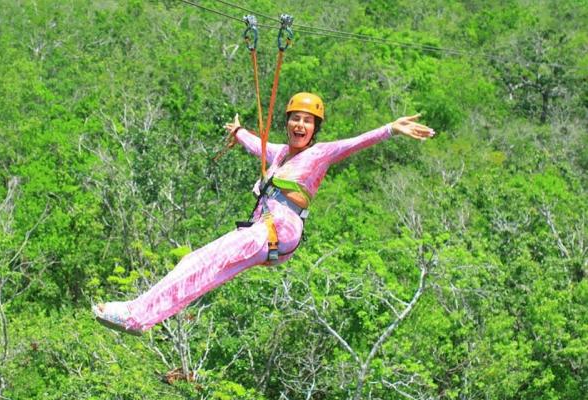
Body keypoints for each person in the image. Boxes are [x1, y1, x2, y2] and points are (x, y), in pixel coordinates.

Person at [93, 92, 435, 335]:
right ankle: (142, 318)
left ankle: (135, 313)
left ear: (315, 128)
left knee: (207, 261)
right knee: (198, 264)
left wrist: (391, 128)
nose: (300, 124)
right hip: (263, 231)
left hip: (278, 231)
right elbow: (255, 144)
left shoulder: (320, 153)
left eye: (307, 121)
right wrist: (238, 132)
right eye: (295, 118)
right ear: (287, 123)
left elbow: (355, 142)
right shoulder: (280, 153)